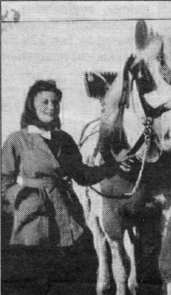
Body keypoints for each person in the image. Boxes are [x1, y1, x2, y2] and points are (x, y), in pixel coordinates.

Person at [1, 80, 139, 292]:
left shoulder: (63, 139)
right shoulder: (16, 140)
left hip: (65, 216)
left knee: (67, 279)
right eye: (45, 101)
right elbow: (4, 181)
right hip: (31, 222)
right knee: (33, 281)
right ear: (31, 105)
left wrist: (116, 165)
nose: (51, 106)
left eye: (55, 102)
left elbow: (83, 175)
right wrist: (27, 194)